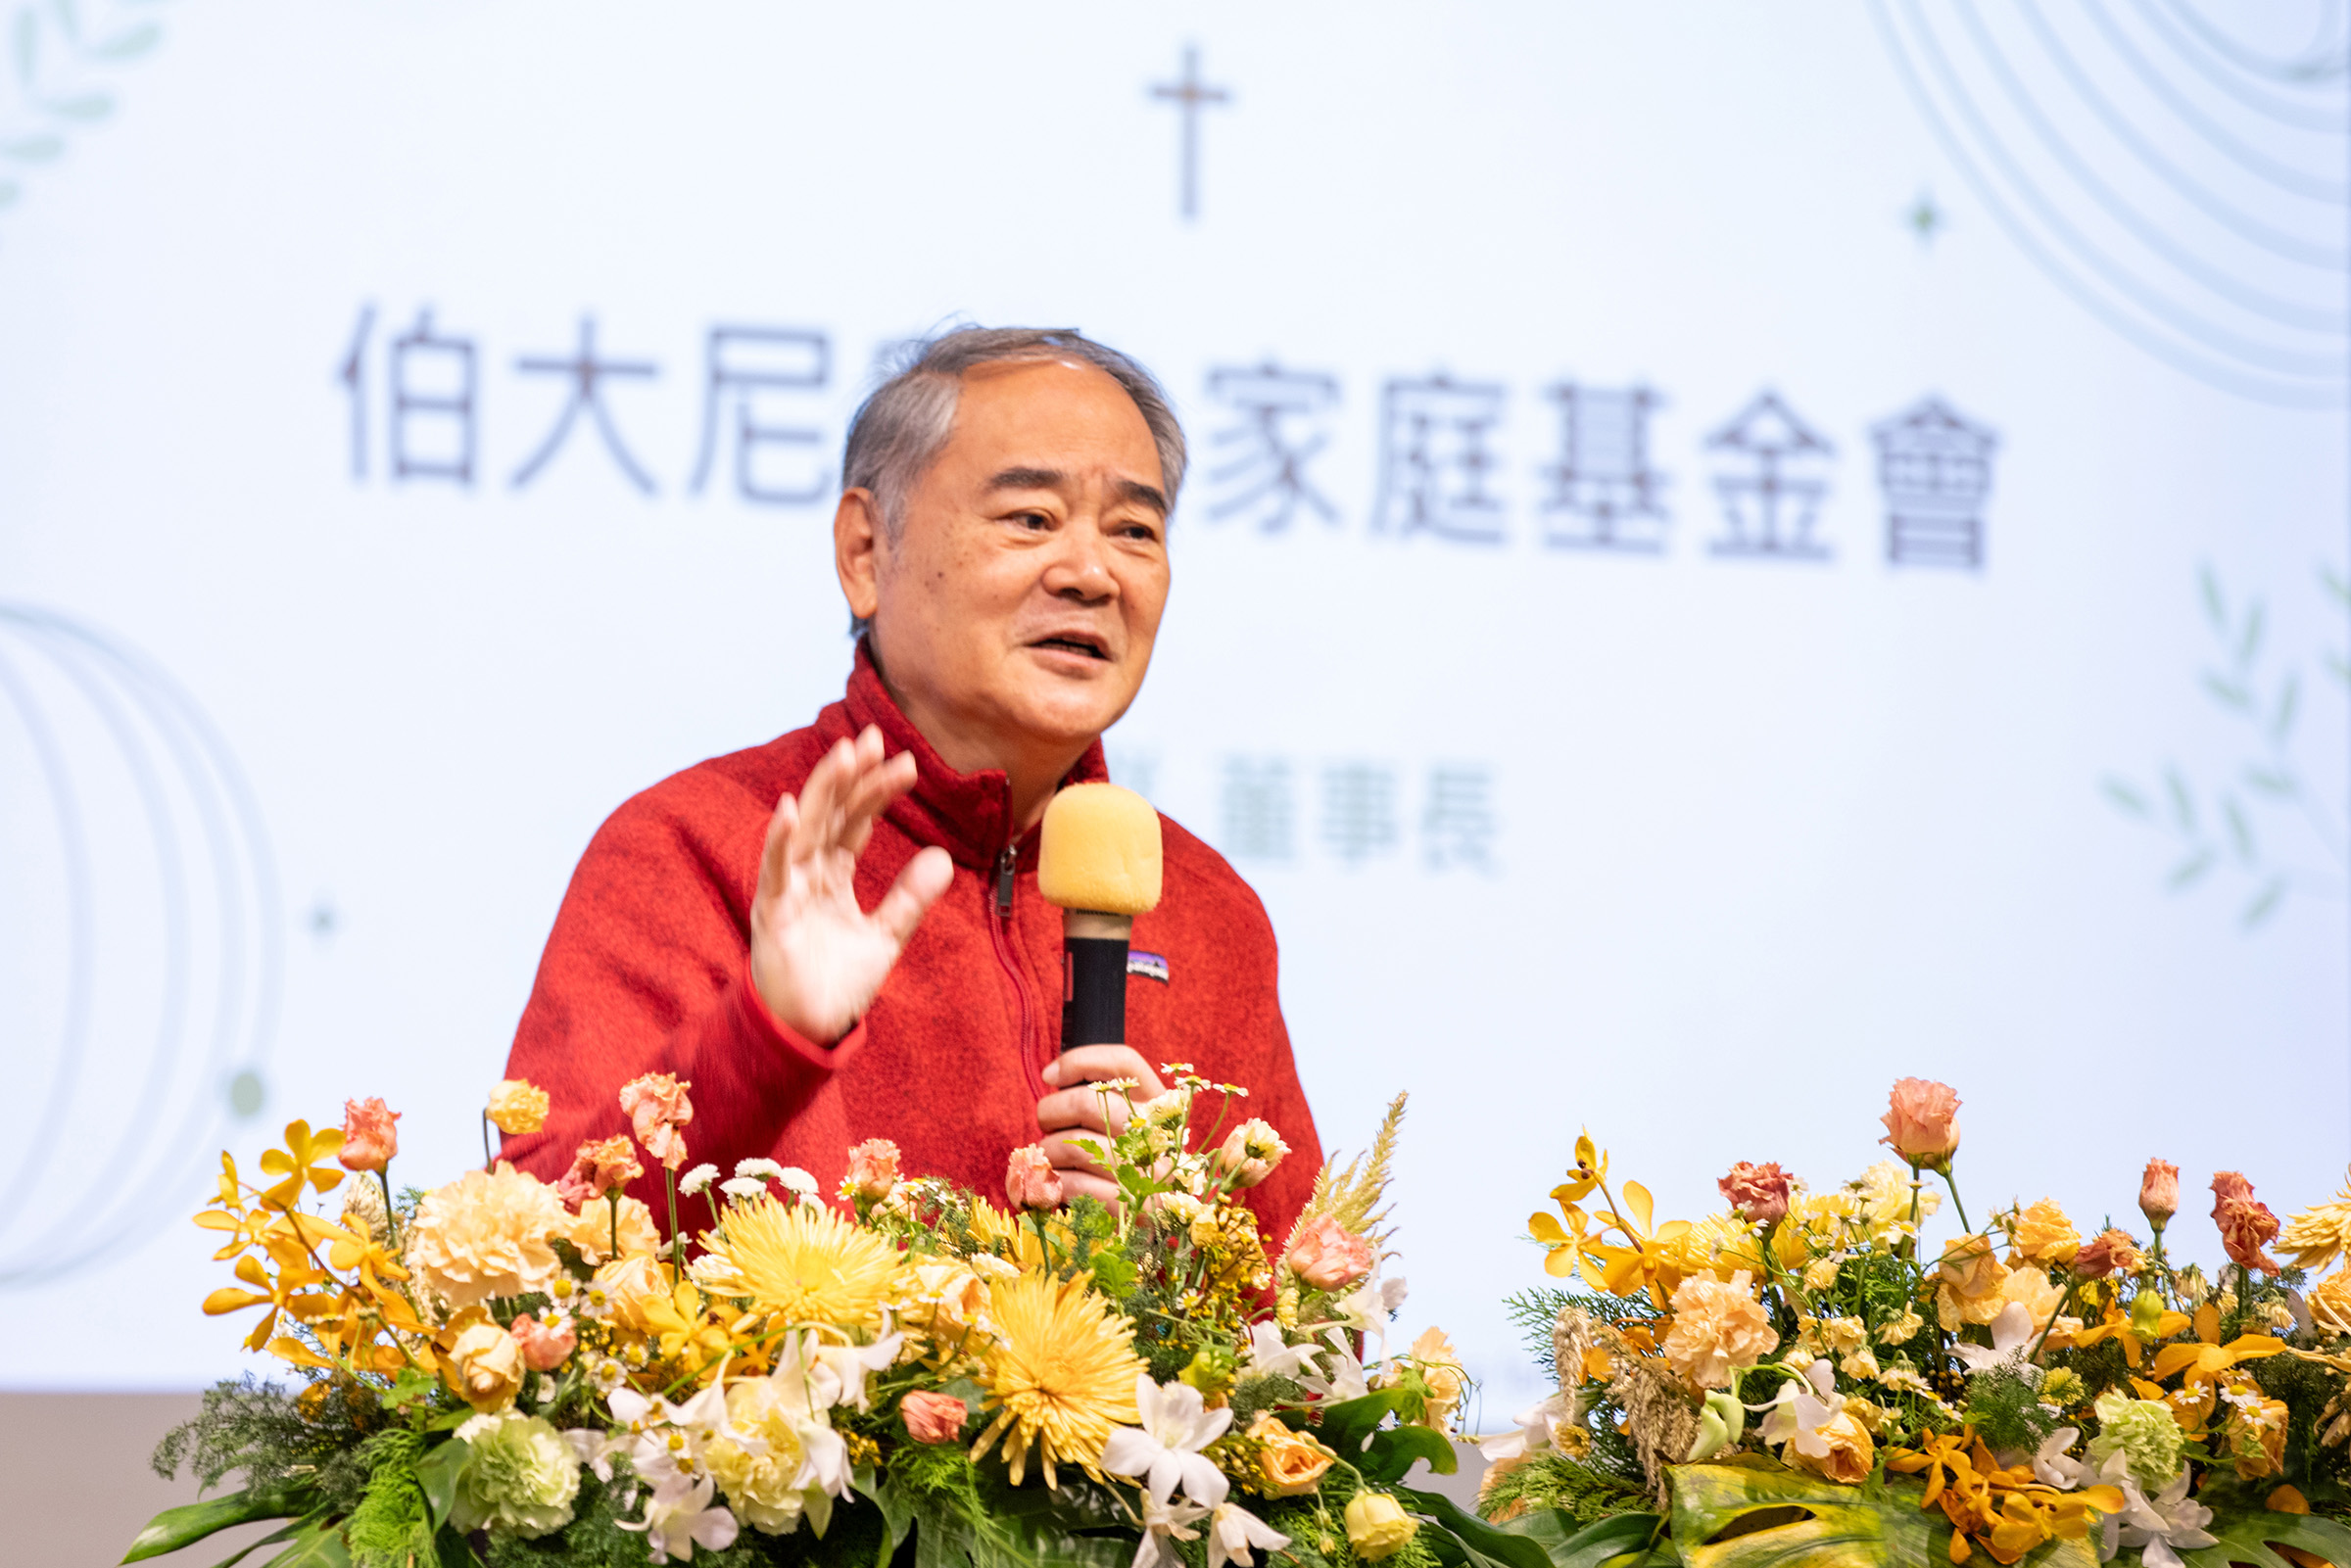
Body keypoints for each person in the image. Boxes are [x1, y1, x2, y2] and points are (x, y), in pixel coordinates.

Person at [500, 326, 1323, 1245]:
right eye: (1031, 518)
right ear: (865, 551)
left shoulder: (1212, 914)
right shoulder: (689, 849)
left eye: (1134, 530)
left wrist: (1172, 1254)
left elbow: (1321, 1318)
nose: (1092, 574)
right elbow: (538, 1258)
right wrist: (766, 1037)